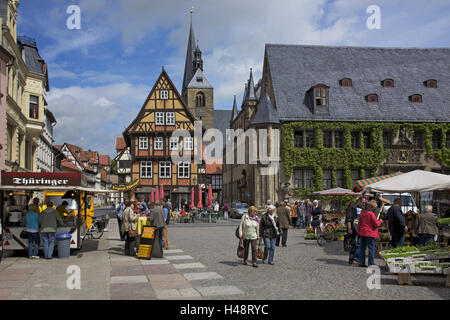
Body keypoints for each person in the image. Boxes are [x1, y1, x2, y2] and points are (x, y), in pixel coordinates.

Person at [357, 200, 382, 267]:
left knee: (362, 248)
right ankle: (371, 263)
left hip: (363, 232)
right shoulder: (371, 214)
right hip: (369, 233)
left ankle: (361, 262)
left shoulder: (362, 212)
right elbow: (376, 224)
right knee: (371, 248)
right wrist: (380, 221)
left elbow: (360, 222)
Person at [345, 200, 359, 265]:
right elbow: (349, 219)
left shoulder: (350, 208)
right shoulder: (350, 209)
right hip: (352, 228)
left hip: (353, 228)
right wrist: (349, 228)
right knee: (353, 243)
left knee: (352, 243)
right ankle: (352, 259)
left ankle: (352, 259)